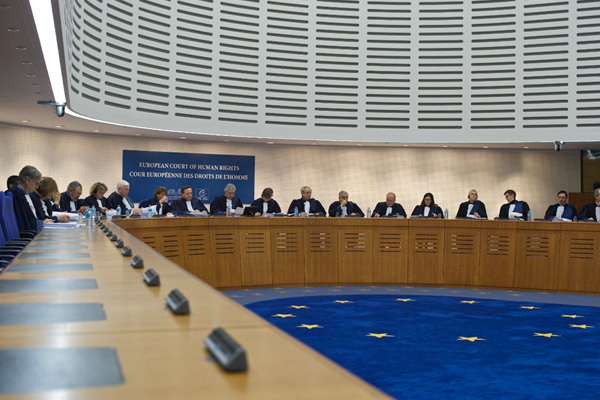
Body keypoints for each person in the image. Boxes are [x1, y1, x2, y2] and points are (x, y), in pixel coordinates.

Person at [7, 165, 42, 234]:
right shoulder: (17, 194)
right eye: (36, 184)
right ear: (27, 180)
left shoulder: (20, 193)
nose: (37, 187)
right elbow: (25, 223)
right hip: (27, 236)